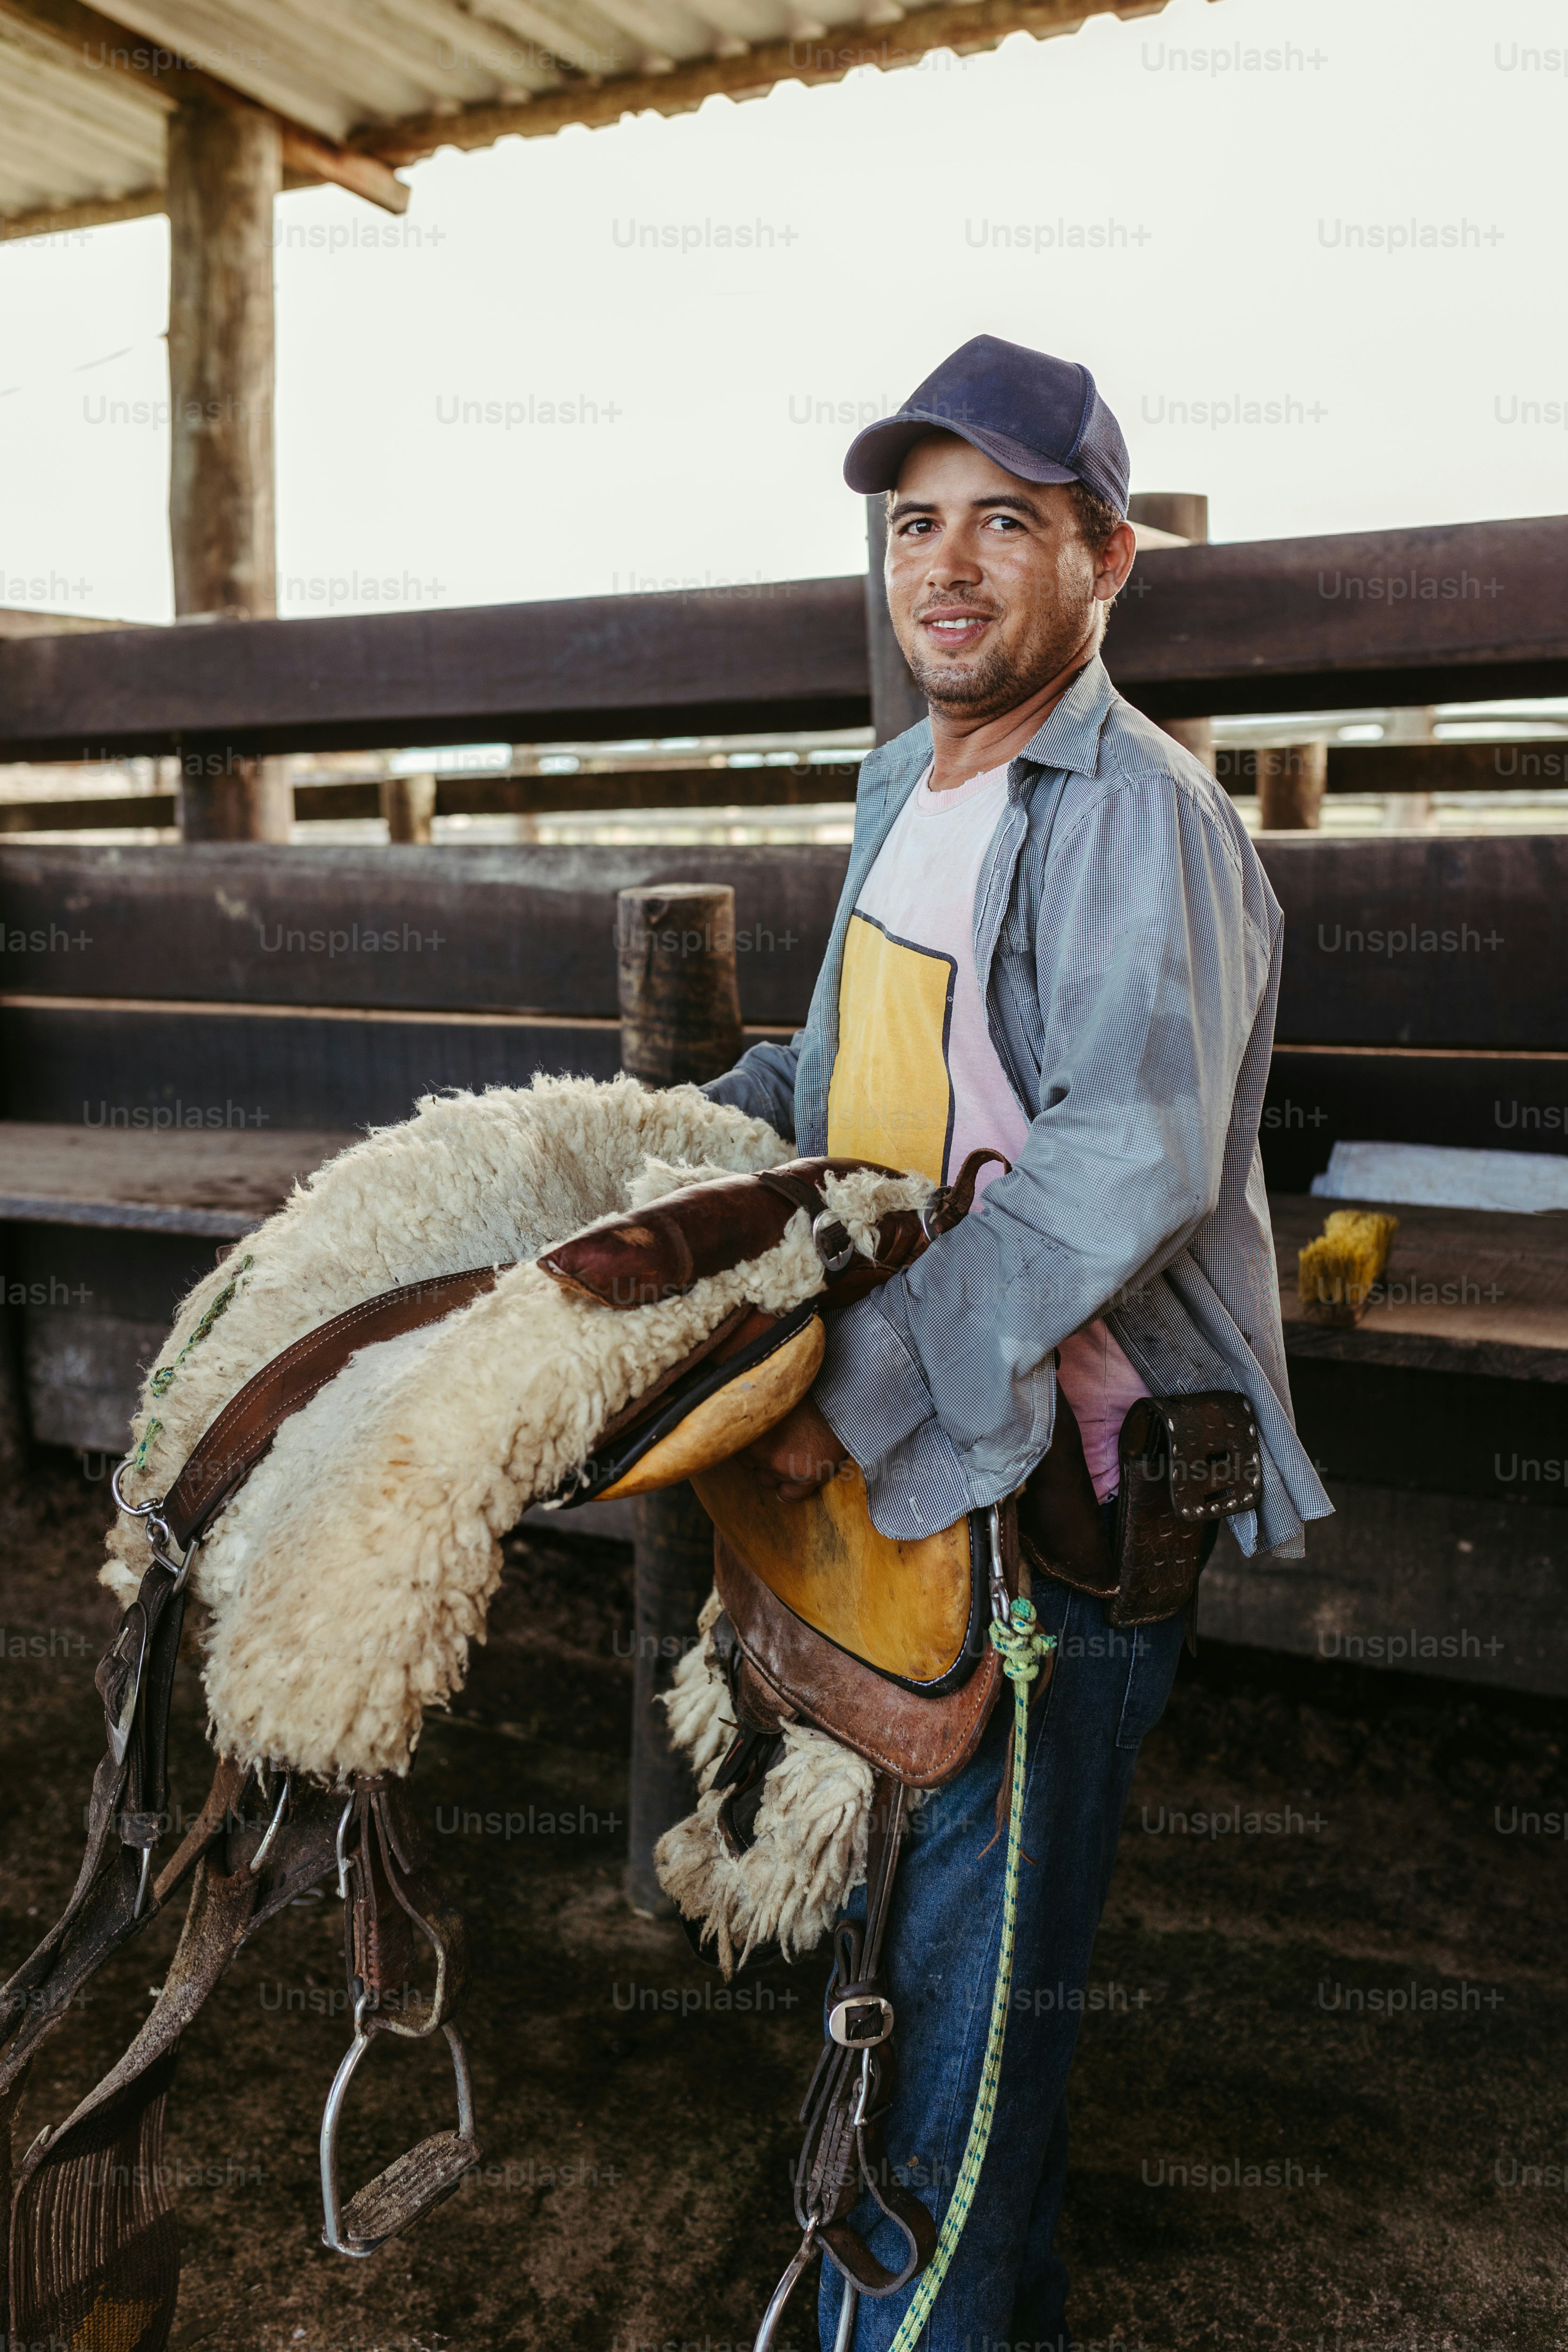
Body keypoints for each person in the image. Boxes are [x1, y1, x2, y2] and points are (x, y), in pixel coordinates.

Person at [702, 333, 1332, 2350]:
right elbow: (832, 1077)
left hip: (1059, 1501)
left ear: (1107, 559)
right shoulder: (909, 778)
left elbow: (1122, 1162)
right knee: (927, 1990)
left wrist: (853, 1394)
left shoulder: (1141, 816)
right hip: (919, 1471)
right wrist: (650, 1155)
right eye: (916, 526)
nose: (948, 566)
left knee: (957, 2059)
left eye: (1007, 522)